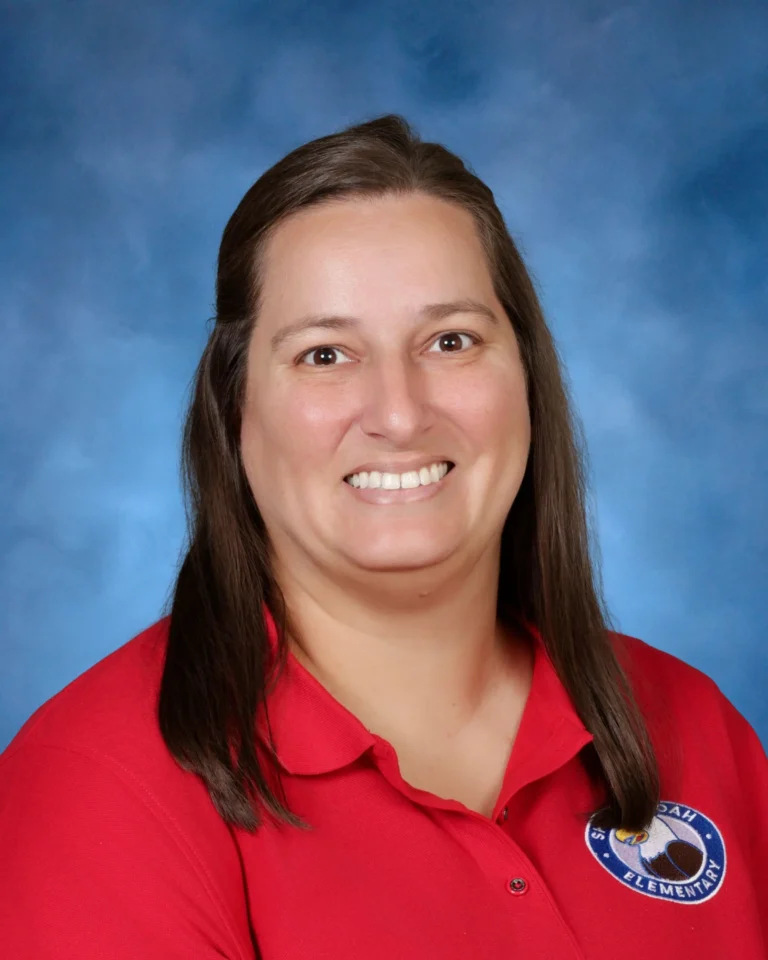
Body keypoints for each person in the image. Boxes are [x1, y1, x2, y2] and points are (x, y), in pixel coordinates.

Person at [1, 114, 766, 959]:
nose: (399, 415)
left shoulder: (695, 727)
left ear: (527, 378)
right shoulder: (100, 785)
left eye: (450, 341)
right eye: (325, 355)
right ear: (235, 410)